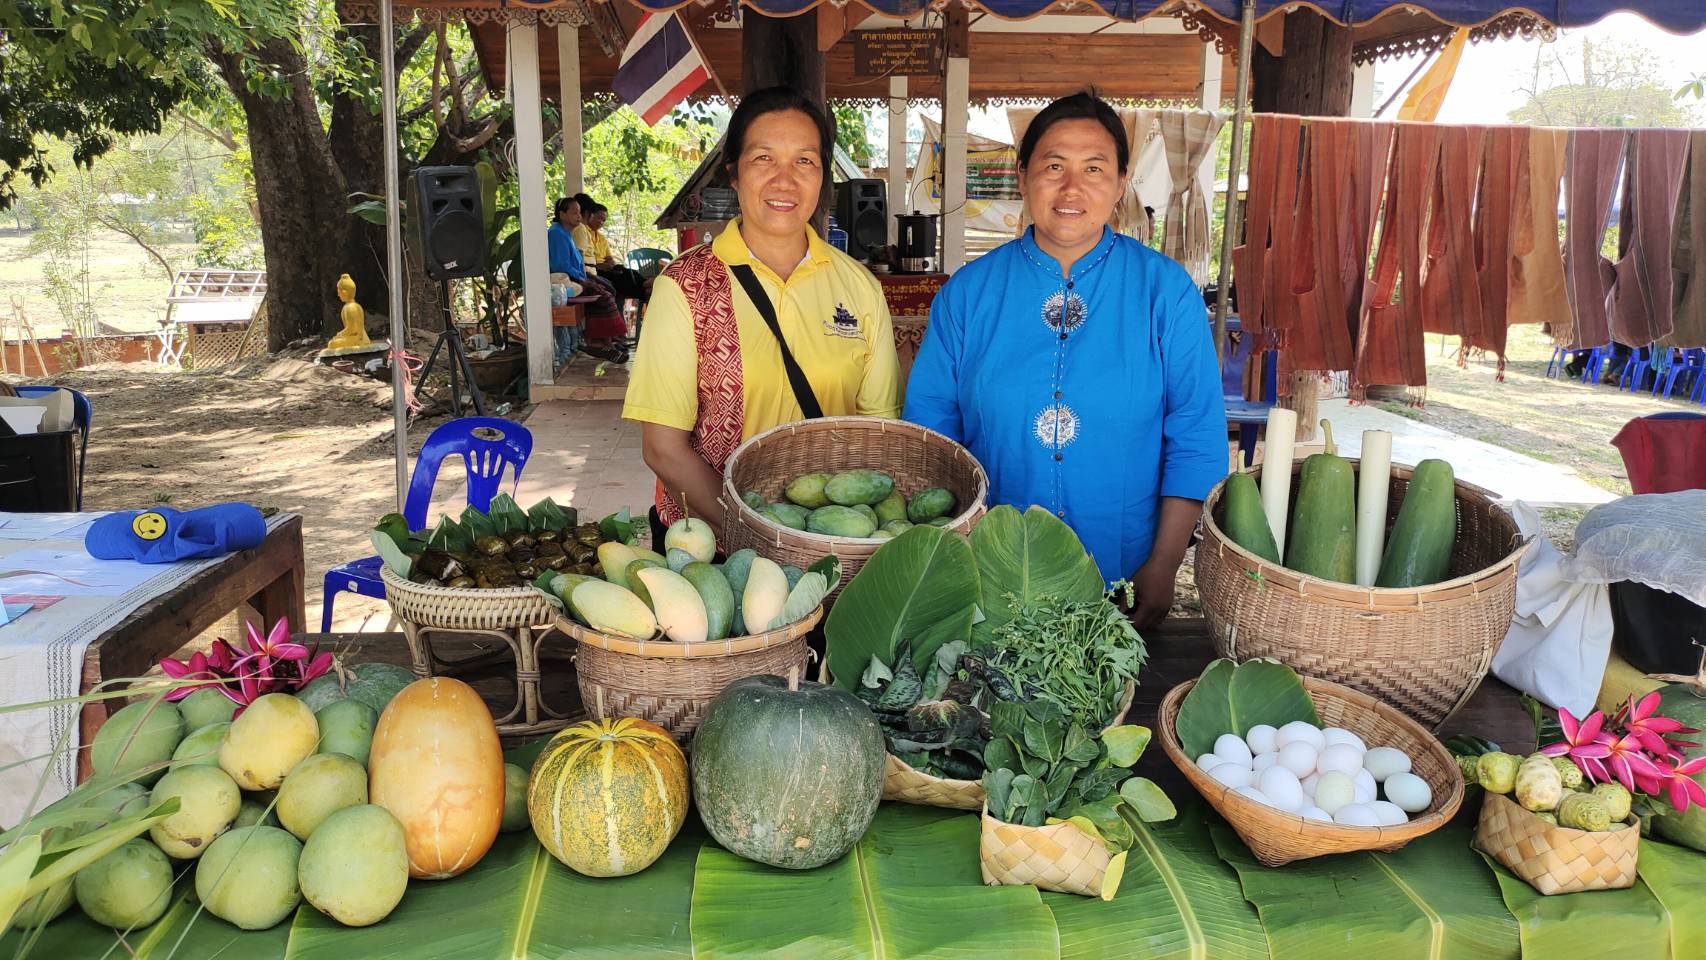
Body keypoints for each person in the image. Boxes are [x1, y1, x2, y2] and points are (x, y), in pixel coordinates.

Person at [903, 91, 1227, 629]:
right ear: (1023, 173)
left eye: (1095, 168)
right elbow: (931, 438)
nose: (1072, 187)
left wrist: (1165, 566)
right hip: (992, 583)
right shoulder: (967, 295)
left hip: (1122, 583)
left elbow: (1195, 438)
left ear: (1122, 182)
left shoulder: (1164, 292)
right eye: (1054, 166)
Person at [623, 85, 902, 548]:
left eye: (804, 161)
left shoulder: (860, 288)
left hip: (828, 546)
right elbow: (663, 449)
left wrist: (821, 537)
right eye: (764, 159)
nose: (784, 180)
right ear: (734, 173)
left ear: (822, 178)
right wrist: (760, 536)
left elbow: (877, 435)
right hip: (712, 548)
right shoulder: (685, 286)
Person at [548, 196, 627, 362]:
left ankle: (606, 341)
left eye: (579, 213)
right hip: (565, 280)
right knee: (603, 296)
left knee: (606, 290)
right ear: (562, 215)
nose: (579, 216)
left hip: (576, 276)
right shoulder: (556, 234)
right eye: (574, 213)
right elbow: (560, 265)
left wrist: (585, 278)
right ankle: (600, 343)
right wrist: (583, 280)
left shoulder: (566, 233)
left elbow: (575, 263)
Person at [571, 195, 649, 305]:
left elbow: (609, 258)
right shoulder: (582, 230)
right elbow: (579, 257)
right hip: (594, 270)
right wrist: (598, 267)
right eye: (598, 218)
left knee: (625, 271)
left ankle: (646, 285)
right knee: (616, 285)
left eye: (604, 220)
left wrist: (610, 264)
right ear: (590, 214)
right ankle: (646, 292)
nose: (601, 222)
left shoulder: (601, 238)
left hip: (602, 268)